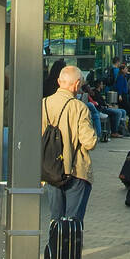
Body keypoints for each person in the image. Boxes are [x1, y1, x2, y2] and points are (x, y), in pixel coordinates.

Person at [41, 65, 98, 224]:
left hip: (51, 171)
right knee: (73, 222)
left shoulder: (44, 104)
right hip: (76, 171)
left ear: (59, 81)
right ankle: (70, 247)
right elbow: (89, 142)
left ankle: (55, 246)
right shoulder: (79, 107)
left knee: (56, 219)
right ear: (77, 83)